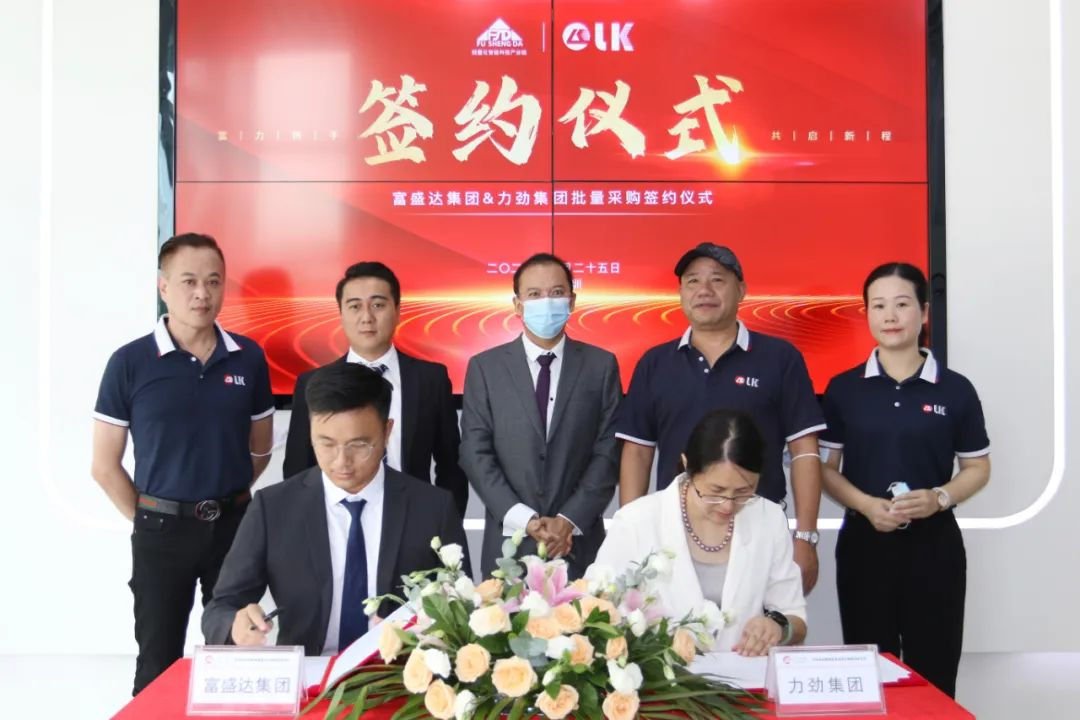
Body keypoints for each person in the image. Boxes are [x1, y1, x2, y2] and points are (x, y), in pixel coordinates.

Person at [91, 233, 275, 695]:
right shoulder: (130, 362)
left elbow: (260, 451)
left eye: (213, 281)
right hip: (161, 533)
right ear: (163, 287)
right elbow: (104, 465)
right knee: (158, 663)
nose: (202, 293)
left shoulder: (249, 358)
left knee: (235, 659)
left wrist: (223, 496)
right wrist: (150, 517)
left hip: (233, 530)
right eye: (189, 281)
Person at [203, 362, 468, 655]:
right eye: (326, 444)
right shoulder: (273, 508)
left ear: (386, 431)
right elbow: (221, 607)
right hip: (307, 670)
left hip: (399, 670)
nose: (342, 461)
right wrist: (235, 625)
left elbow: (461, 608)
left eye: (359, 445)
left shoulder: (433, 508)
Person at [819, 262, 990, 698]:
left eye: (901, 304)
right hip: (864, 544)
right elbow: (824, 469)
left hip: (934, 547)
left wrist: (939, 497)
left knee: (934, 675)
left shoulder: (955, 389)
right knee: (869, 677)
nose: (890, 316)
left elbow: (977, 468)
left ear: (924, 312)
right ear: (867, 314)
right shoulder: (843, 389)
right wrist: (865, 505)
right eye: (878, 306)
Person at [615, 243, 826, 593]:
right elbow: (637, 453)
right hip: (674, 533)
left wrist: (806, 536)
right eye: (692, 281)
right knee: (673, 626)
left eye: (717, 280)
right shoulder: (655, 363)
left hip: (757, 525)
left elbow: (804, 451)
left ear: (741, 290)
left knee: (758, 624)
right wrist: (630, 532)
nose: (704, 290)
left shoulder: (780, 358)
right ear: (681, 293)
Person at [594, 409, 807, 656]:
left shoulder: (768, 518)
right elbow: (596, 608)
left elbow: (795, 618)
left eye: (743, 493)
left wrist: (779, 627)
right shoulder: (636, 521)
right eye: (715, 491)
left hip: (745, 675)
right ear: (687, 466)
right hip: (662, 675)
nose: (728, 506)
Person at [460, 253, 621, 579]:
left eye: (556, 293)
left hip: (578, 544)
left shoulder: (601, 366)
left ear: (572, 301)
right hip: (508, 548)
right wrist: (525, 520)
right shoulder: (485, 368)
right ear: (517, 305)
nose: (546, 302)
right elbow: (475, 454)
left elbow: (608, 452)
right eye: (534, 294)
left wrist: (568, 520)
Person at [283, 262, 468, 517]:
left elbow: (451, 467)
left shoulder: (430, 380)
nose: (367, 317)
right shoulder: (312, 383)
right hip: (338, 521)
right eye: (355, 306)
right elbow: (297, 470)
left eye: (378, 305)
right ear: (341, 313)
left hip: (412, 518)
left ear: (397, 311)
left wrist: (445, 526)